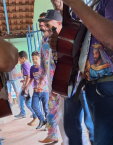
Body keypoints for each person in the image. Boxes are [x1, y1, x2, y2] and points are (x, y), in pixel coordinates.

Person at [50, 0, 113, 144]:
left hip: (112, 83)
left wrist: (77, 4)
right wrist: (63, 40)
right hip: (96, 84)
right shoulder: (95, 2)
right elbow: (87, 39)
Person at [42, 9, 93, 145]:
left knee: (91, 126)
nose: (47, 29)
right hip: (69, 88)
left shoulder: (76, 32)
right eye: (46, 26)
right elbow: (53, 66)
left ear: (59, 23)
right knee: (70, 126)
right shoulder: (51, 42)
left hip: (84, 86)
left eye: (49, 25)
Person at [37, 12, 61, 144]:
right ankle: (52, 135)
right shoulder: (44, 42)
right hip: (52, 83)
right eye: (43, 24)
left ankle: (67, 138)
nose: (44, 26)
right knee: (51, 109)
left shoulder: (62, 38)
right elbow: (42, 63)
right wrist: (40, 80)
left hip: (65, 81)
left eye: (46, 24)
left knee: (66, 113)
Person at [25, 51, 49, 129]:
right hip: (36, 91)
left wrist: (41, 85)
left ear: (40, 59)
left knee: (46, 108)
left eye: (36, 58)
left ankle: (48, 124)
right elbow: (32, 79)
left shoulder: (43, 67)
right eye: (33, 59)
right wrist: (27, 87)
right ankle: (42, 120)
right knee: (34, 105)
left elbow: (46, 78)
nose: (34, 60)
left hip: (44, 91)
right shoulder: (32, 68)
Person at [14, 51, 37, 123]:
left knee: (25, 101)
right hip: (29, 85)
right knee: (27, 102)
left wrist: (25, 86)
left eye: (19, 59)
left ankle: (27, 113)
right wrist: (24, 82)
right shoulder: (26, 64)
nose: (18, 61)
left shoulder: (24, 64)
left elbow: (28, 76)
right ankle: (34, 113)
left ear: (23, 58)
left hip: (29, 86)